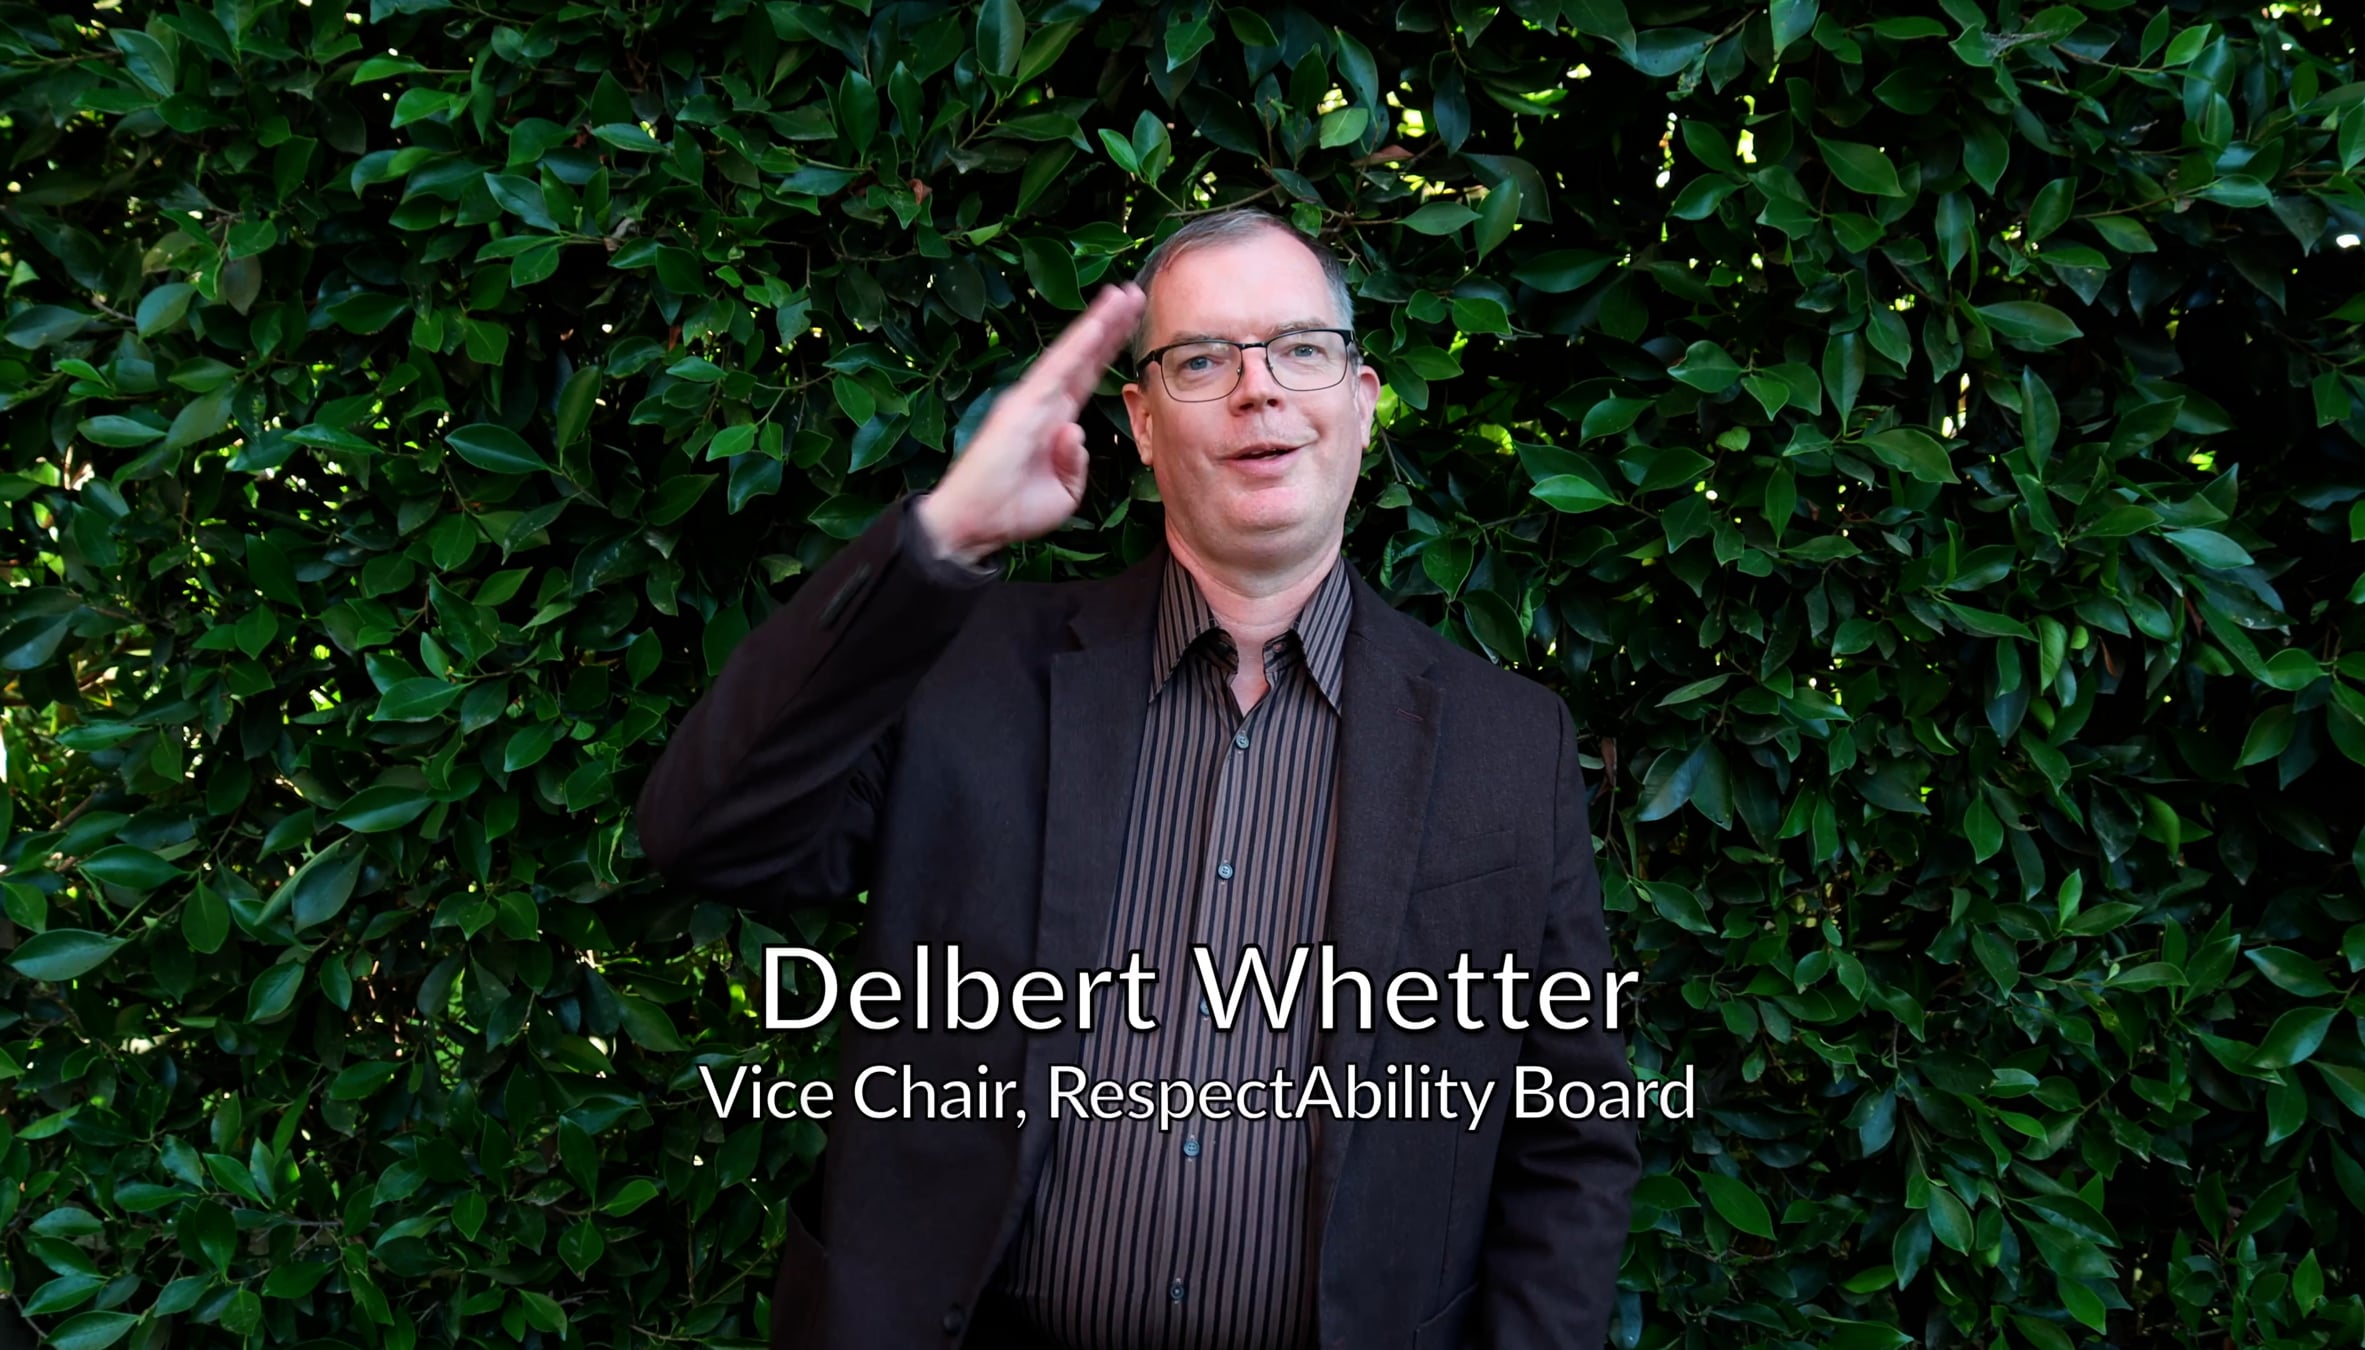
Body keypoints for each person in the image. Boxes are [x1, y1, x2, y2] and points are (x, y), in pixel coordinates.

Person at [636, 209, 1640, 1350]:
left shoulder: (1510, 741)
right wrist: (944, 536)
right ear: (1144, 425)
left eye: (1300, 349)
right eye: (1202, 360)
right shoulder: (966, 669)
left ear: (1362, 402)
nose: (1258, 389)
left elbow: (1571, 1135)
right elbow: (705, 834)